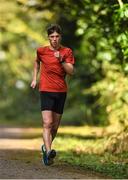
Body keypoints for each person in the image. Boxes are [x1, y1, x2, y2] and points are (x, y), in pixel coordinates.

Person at [30, 24, 75, 166]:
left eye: (57, 36)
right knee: (47, 123)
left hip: (61, 91)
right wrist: (34, 78)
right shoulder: (41, 51)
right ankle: (49, 152)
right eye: (52, 37)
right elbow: (37, 62)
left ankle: (45, 147)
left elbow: (71, 71)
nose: (54, 39)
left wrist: (61, 59)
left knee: (54, 127)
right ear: (48, 38)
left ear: (60, 37)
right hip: (45, 90)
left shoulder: (67, 51)